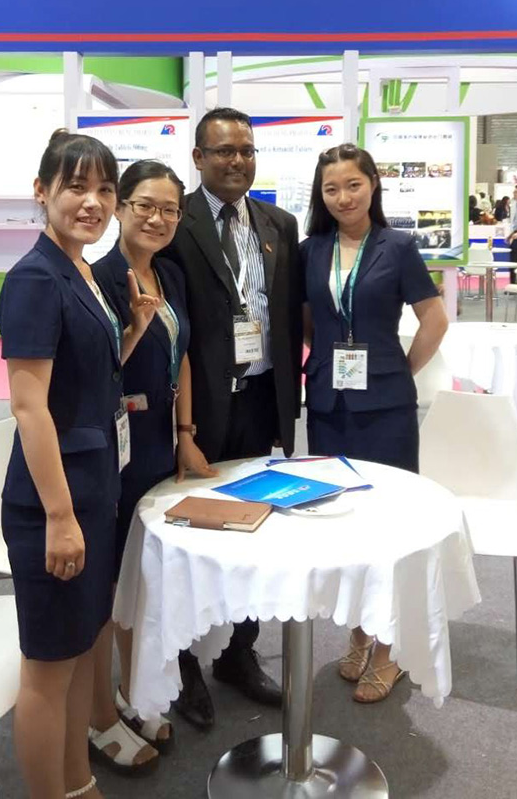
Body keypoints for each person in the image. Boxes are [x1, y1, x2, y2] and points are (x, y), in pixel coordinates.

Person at [0, 131, 158, 799]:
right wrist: (61, 518)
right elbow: (29, 407)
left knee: (72, 658)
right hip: (52, 504)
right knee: (47, 672)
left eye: (104, 190)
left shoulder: (82, 270)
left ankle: (77, 782)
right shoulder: (36, 278)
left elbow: (88, 377)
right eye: (75, 187)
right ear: (42, 192)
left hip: (92, 488)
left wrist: (134, 329)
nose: (92, 202)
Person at [163, 106, 302, 727]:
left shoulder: (279, 224)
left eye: (246, 150)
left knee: (256, 527)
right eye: (223, 151)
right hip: (199, 408)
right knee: (186, 535)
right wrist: (180, 426)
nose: (237, 161)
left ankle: (239, 653)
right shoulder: (176, 220)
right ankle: (183, 662)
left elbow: (287, 316)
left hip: (261, 399)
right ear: (198, 158)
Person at [300, 143, 448, 704]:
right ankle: (360, 633)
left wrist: (398, 369)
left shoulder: (398, 247)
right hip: (328, 404)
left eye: (353, 185)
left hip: (385, 407)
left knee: (388, 525)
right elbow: (311, 321)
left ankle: (390, 648)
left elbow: (434, 319)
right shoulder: (311, 250)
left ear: (373, 185)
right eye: (331, 188)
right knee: (342, 521)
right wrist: (332, 358)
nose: (343, 197)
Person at [88, 160, 217, 771]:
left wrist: (186, 434)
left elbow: (182, 356)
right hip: (116, 446)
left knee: (144, 574)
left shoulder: (170, 273)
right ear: (120, 207)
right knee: (115, 578)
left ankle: (132, 690)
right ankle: (104, 709)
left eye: (170, 210)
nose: (158, 219)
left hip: (160, 442)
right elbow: (94, 373)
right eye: (145, 205)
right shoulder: (100, 279)